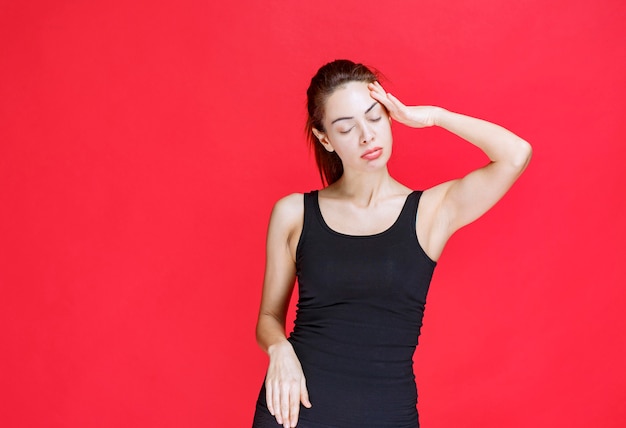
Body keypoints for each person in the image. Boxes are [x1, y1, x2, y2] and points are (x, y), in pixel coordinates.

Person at [252, 59, 532, 428]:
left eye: (375, 116)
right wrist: (279, 348)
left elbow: (516, 155)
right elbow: (268, 318)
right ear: (325, 140)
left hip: (386, 412)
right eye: (346, 128)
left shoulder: (431, 212)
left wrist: (432, 116)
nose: (367, 136)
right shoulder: (294, 213)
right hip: (293, 408)